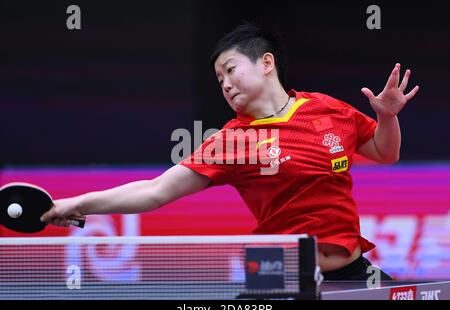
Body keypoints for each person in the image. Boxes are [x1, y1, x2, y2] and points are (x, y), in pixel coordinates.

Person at [41, 22, 419, 281]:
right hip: (281, 273)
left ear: (266, 63)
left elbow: (385, 153)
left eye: (231, 70)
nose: (225, 84)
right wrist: (75, 204)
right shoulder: (232, 141)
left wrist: (386, 117)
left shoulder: (326, 109)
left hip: (351, 272)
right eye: (219, 78)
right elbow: (155, 191)